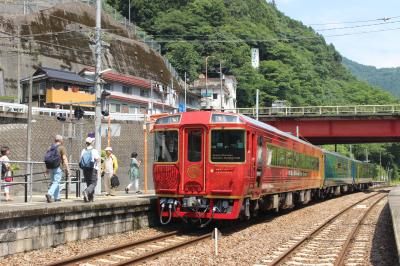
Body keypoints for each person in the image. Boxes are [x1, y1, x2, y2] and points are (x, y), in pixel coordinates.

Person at [45, 135, 69, 203]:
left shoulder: (50, 148)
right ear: (61, 140)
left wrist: (47, 170)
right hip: (58, 167)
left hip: (50, 167)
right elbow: (64, 158)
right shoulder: (61, 148)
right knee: (56, 182)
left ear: (55, 140)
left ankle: (57, 198)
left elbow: (47, 159)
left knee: (54, 182)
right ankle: (49, 194)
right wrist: (67, 168)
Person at [79, 137, 100, 202]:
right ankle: (86, 191)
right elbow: (97, 159)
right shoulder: (94, 150)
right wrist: (99, 159)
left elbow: (80, 160)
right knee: (94, 183)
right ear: (91, 143)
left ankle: (88, 198)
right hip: (92, 169)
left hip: (85, 169)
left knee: (89, 183)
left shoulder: (83, 150)